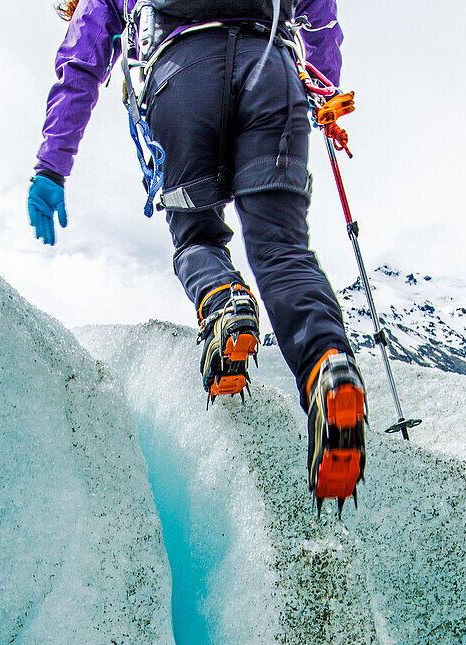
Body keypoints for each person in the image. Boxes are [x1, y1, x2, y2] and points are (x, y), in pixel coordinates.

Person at [28, 0, 365, 510]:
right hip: (272, 73)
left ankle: (226, 307)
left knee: (197, 238)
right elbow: (321, 15)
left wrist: (52, 166)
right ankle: (327, 364)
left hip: (181, 82)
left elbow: (82, 62)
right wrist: (325, 88)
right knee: (282, 249)